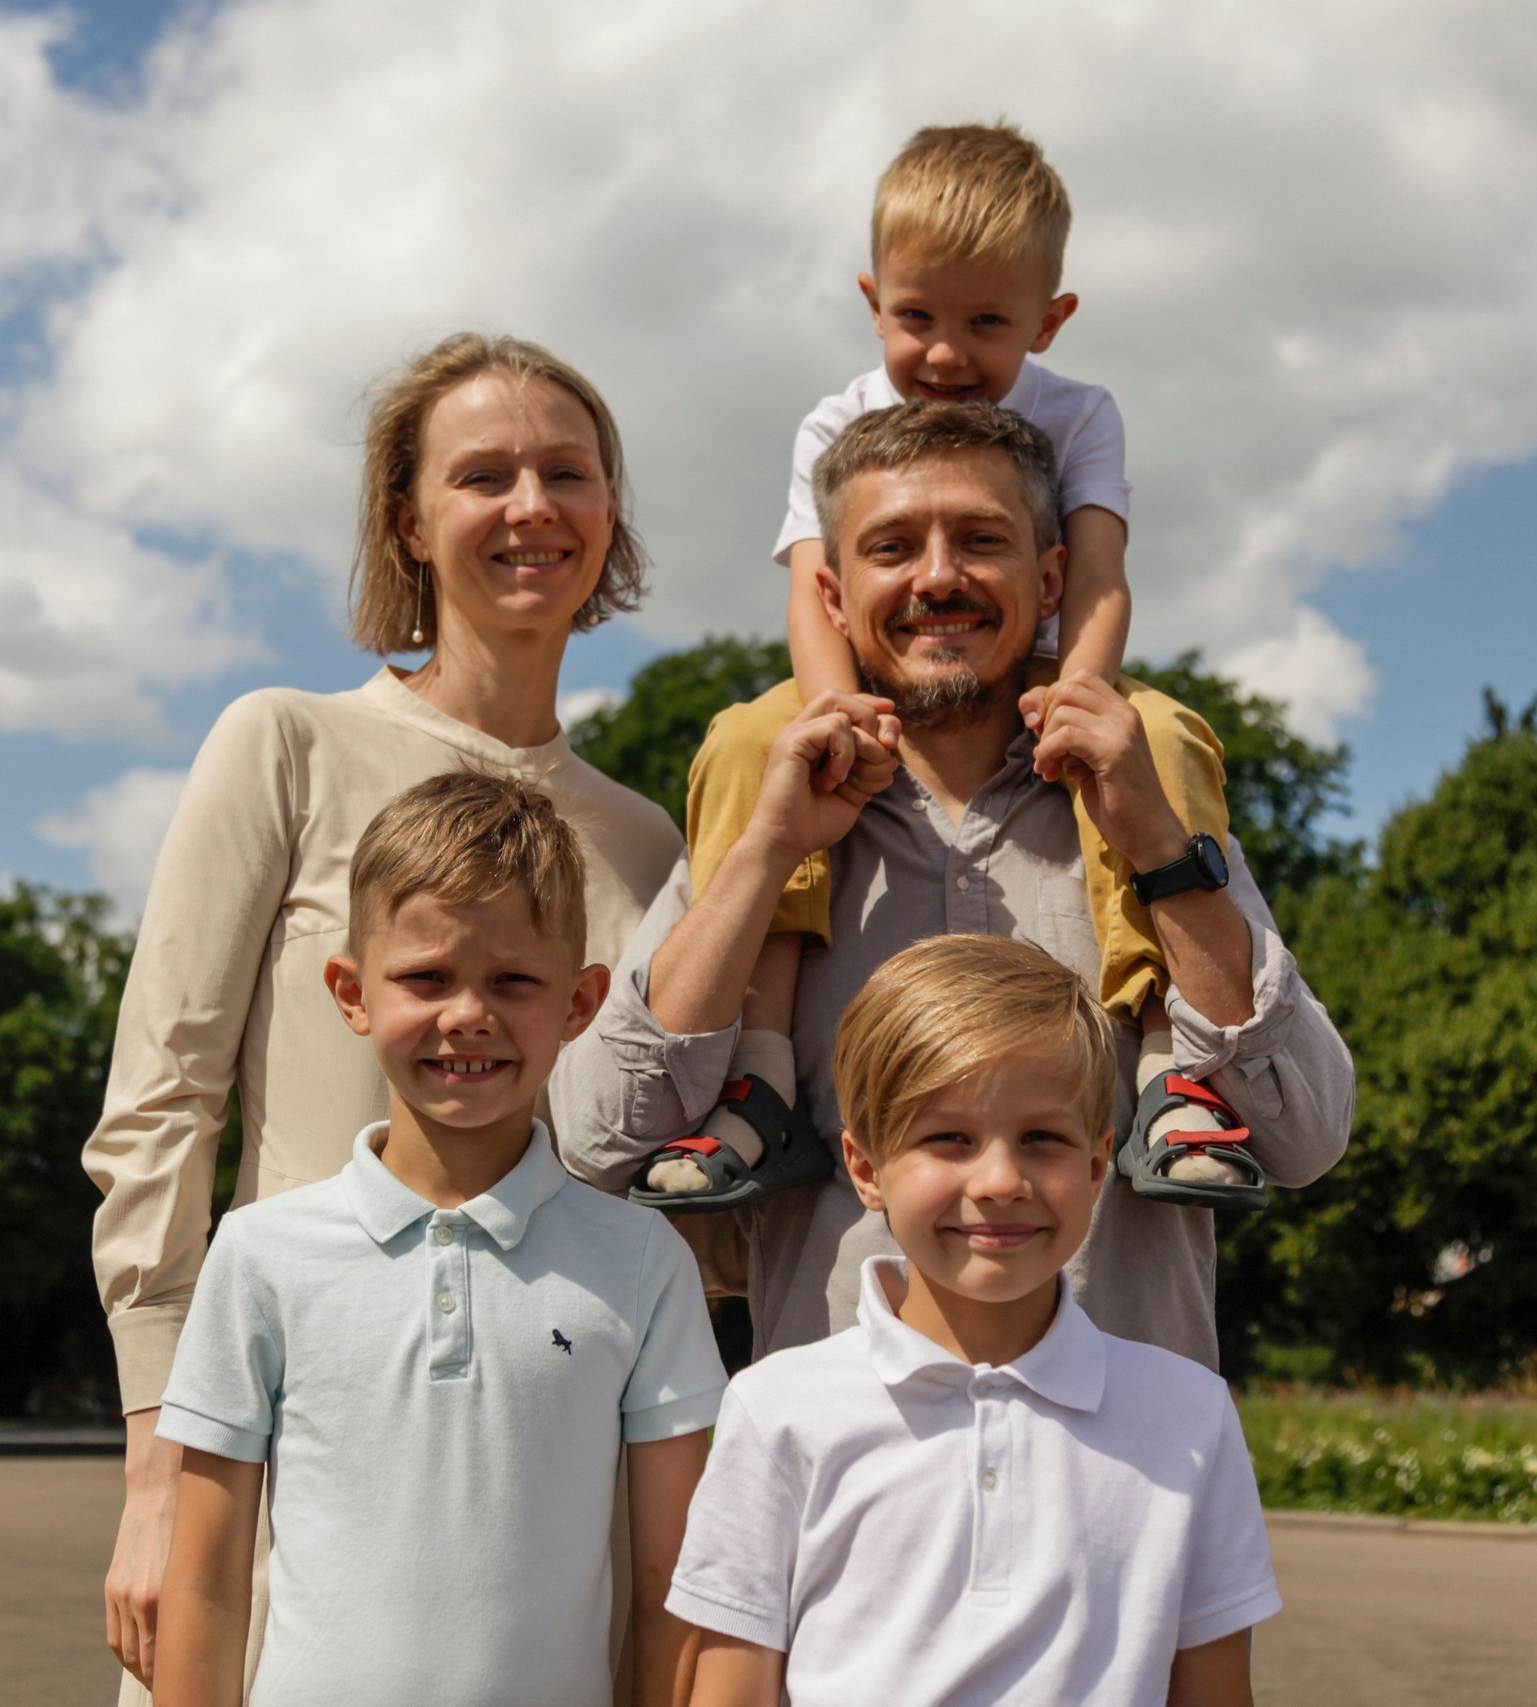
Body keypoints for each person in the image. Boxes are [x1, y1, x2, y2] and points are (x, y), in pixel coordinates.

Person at [83, 334, 686, 1700]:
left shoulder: (652, 845)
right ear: (408, 519)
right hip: (285, 1457)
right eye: (483, 475)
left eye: (567, 473)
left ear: (610, 513)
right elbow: (159, 1107)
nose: (531, 505)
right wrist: (159, 1462)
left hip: (543, 1493)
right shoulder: (282, 742)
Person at [553, 400, 1355, 1367]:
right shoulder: (770, 803)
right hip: (849, 1462)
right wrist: (764, 856)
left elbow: (1306, 1134)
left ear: (1050, 577)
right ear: (835, 598)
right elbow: (597, 1137)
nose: (939, 576)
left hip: (1123, 1466)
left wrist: (1155, 845)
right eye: (892, 546)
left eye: (981, 539)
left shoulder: (1150, 802)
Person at [635, 121, 1250, 1213]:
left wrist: (1082, 695)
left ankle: (1174, 1064)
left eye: (987, 324)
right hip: (869, 676)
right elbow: (810, 589)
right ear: (872, 301)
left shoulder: (1078, 416)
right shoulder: (838, 419)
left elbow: (1099, 574)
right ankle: (761, 1070)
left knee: (1152, 742)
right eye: (914, 318)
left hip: (1047, 660)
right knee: (750, 743)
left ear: (1050, 321)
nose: (945, 356)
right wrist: (839, 713)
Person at [149, 773, 724, 1707]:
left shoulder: (644, 1260)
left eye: (514, 981)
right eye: (426, 977)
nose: (468, 1014)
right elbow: (204, 1588)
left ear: (580, 1003)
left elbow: (671, 1594)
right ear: (351, 991)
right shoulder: (259, 1254)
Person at [670, 935, 1277, 1706]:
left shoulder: (1191, 1416)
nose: (999, 1180)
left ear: (1098, 1166)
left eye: (1042, 1139)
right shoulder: (776, 1408)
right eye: (947, 1138)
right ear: (866, 1168)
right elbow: (730, 1690)